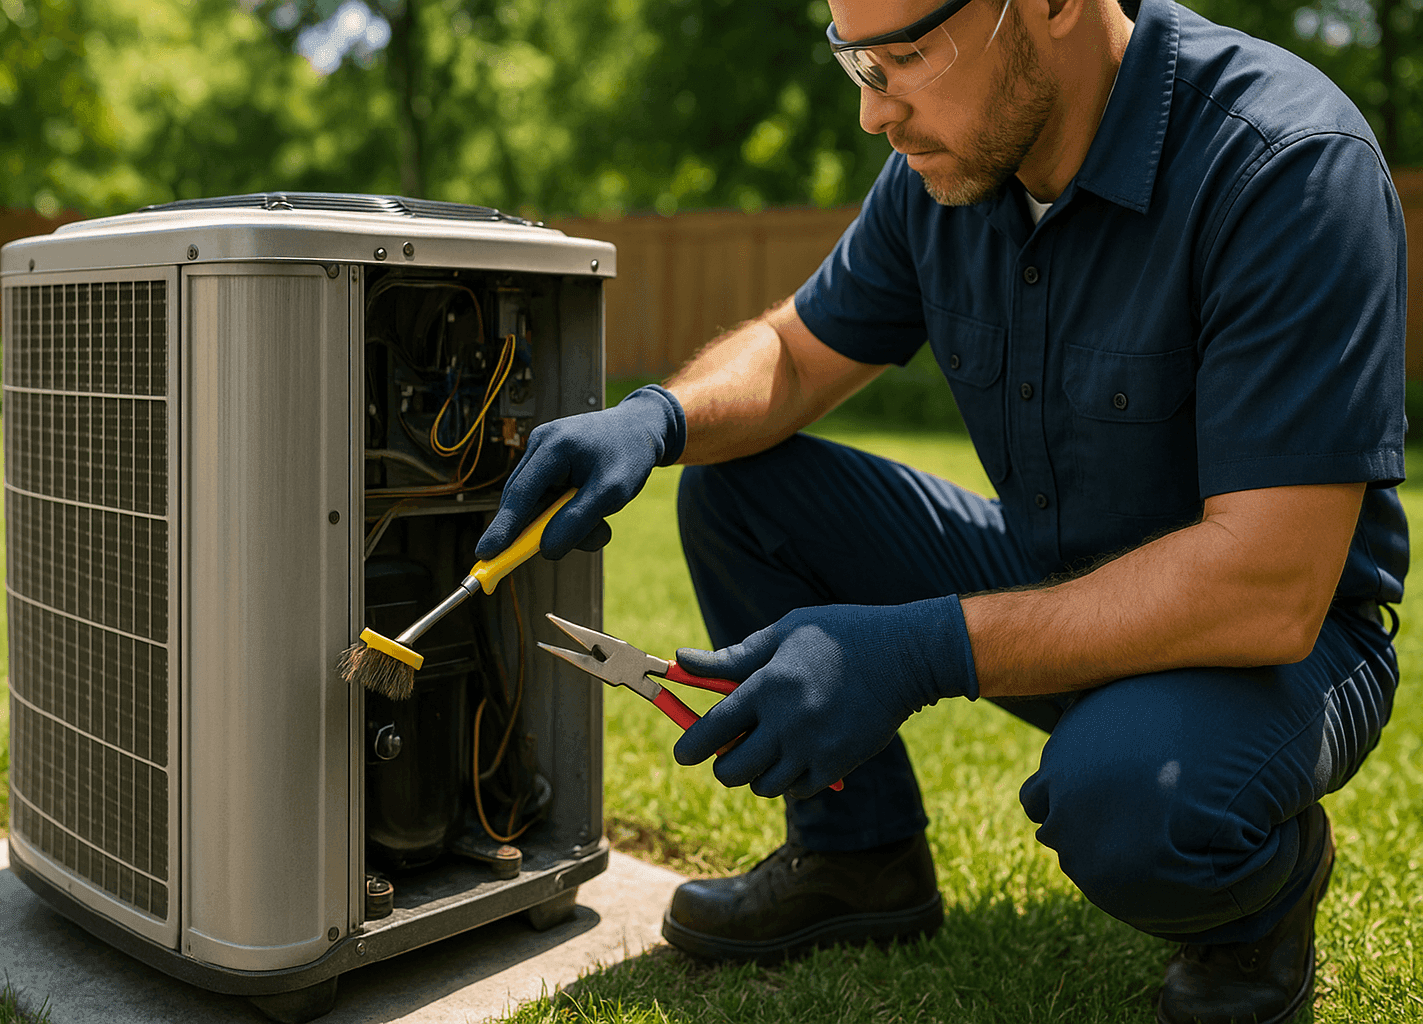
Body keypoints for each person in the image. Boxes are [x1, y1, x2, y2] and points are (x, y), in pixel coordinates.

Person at [477, 0, 1408, 1019]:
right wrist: (656, 416)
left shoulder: (1283, 163)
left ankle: (1254, 910)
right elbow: (792, 354)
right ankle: (858, 859)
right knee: (743, 487)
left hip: (1279, 651)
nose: (876, 112)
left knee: (1130, 799)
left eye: (907, 56)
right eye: (856, 63)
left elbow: (1269, 585)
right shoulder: (948, 169)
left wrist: (917, 649)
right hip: (1056, 579)